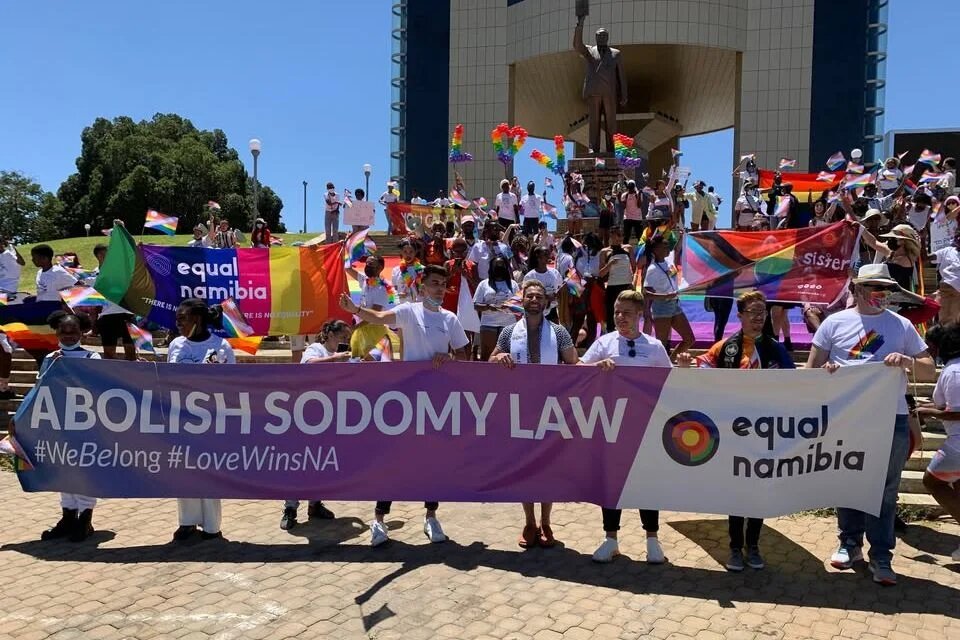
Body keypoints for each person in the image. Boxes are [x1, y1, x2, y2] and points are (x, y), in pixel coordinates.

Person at [806, 263, 935, 585]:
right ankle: (849, 544)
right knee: (847, 481)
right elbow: (810, 371)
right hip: (846, 418)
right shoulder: (834, 323)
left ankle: (881, 556)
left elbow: (929, 370)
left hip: (890, 420)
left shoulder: (902, 326)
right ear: (858, 288)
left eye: (887, 287)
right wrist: (829, 373)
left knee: (884, 490)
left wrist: (906, 362)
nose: (882, 293)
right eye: (875, 286)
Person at [339, 265, 470, 546]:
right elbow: (380, 316)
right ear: (422, 287)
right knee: (393, 458)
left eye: (443, 285)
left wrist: (448, 358)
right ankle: (379, 519)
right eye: (434, 283)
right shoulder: (409, 311)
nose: (439, 289)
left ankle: (431, 517)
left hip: (437, 400)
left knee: (433, 461)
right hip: (407, 397)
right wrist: (356, 309)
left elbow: (463, 353)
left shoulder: (450, 319)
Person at [678, 291, 795, 571]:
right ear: (740, 316)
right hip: (734, 434)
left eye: (762, 312)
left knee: (757, 492)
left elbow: (797, 381)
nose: (758, 318)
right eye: (752, 312)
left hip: (764, 433)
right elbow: (702, 369)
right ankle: (734, 547)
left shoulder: (774, 348)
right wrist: (685, 366)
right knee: (736, 492)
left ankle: (753, 546)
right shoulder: (725, 348)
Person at [580, 290, 672, 564]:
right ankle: (610, 539)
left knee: (647, 482)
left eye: (627, 313)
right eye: (617, 312)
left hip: (644, 426)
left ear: (640, 315)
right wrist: (597, 366)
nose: (620, 317)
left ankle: (653, 540)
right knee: (611, 482)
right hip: (610, 425)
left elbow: (668, 383)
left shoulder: (654, 347)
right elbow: (577, 373)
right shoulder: (604, 343)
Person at [489, 279, 578, 547]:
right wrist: (498, 359)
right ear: (523, 300)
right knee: (525, 468)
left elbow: (573, 362)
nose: (534, 300)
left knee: (548, 468)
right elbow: (490, 360)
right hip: (520, 409)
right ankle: (529, 522)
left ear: (547, 303)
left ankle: (546, 522)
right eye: (530, 296)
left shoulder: (559, 332)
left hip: (551, 408)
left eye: (539, 296)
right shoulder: (507, 332)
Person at [168, 299, 237, 542]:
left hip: (211, 422)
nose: (177, 324)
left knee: (208, 473)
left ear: (197, 320)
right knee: (184, 472)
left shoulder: (221, 347)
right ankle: (187, 523)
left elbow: (232, 384)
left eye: (182, 319)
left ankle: (211, 527)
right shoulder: (176, 345)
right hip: (182, 420)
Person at [32, 310, 101, 542]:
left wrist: (69, 372)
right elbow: (40, 390)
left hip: (85, 424)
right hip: (57, 423)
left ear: (83, 331)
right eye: (63, 331)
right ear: (56, 332)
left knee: (84, 471)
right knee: (63, 469)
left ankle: (86, 518)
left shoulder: (92, 359)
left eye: (73, 331)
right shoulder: (51, 358)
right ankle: (68, 516)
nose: (68, 335)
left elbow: (98, 389)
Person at [279, 319, 351, 530]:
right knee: (299, 462)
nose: (344, 341)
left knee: (321, 460)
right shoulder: (316, 349)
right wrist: (334, 359)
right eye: (341, 337)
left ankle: (315, 503)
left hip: (327, 415)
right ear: (329, 334)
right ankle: (290, 508)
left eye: (346, 338)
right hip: (307, 416)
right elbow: (308, 365)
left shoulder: (338, 354)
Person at [916, 324, 960, 561]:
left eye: (930, 347)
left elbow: (957, 412)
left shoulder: (954, 371)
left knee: (932, 482)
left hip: (958, 443)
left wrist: (928, 413)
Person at [643, 236, 694, 359]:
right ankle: (661, 368)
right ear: (656, 249)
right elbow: (646, 293)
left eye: (667, 246)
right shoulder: (652, 269)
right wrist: (665, 296)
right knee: (662, 343)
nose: (667, 248)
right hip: (661, 307)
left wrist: (683, 236)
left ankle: (671, 361)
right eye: (664, 246)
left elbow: (676, 249)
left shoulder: (669, 260)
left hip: (674, 304)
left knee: (689, 339)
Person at [91, 244, 136, 361]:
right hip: (107, 317)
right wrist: (94, 322)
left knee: (131, 353)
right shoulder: (93, 275)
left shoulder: (121, 270)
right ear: (100, 255)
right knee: (109, 355)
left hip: (127, 313)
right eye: (108, 253)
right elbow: (95, 301)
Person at [473, 257, 519, 361]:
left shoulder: (513, 284)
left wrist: (509, 305)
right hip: (489, 324)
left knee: (507, 355)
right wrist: (489, 307)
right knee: (487, 354)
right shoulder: (484, 284)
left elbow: (519, 306)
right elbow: (476, 305)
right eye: (496, 265)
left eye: (501, 265)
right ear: (491, 267)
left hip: (508, 324)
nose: (499, 267)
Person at [599, 226, 635, 331]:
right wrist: (609, 265)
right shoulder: (604, 251)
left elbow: (634, 267)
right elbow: (601, 274)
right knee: (611, 313)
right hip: (612, 286)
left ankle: (629, 334)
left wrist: (633, 281)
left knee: (628, 311)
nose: (621, 237)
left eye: (622, 235)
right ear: (611, 235)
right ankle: (611, 334)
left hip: (626, 285)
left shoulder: (628, 248)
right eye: (618, 235)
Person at [522, 247, 563, 320]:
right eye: (545, 254)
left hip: (552, 312)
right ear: (538, 258)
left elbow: (560, 288)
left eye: (548, 254)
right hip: (536, 312)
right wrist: (546, 298)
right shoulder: (530, 276)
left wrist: (556, 295)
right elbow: (525, 296)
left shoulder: (555, 273)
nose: (548, 256)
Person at [442, 237, 479, 316]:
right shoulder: (448, 264)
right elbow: (441, 283)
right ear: (452, 251)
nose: (460, 254)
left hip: (467, 301)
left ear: (467, 252)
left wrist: (467, 276)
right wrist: (452, 273)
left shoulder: (472, 265)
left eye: (463, 251)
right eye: (457, 251)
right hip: (450, 300)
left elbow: (477, 287)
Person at [931, 232, 960, 325]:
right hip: (946, 289)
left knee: (951, 322)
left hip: (956, 292)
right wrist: (922, 242)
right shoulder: (947, 251)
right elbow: (926, 258)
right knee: (946, 322)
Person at [392, 238, 424, 303]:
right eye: (405, 252)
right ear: (401, 252)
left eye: (411, 251)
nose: (408, 254)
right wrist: (398, 295)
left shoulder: (422, 269)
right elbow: (393, 290)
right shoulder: (396, 270)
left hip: (418, 305)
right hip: (401, 305)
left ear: (416, 252)